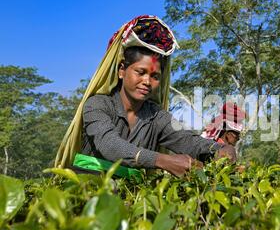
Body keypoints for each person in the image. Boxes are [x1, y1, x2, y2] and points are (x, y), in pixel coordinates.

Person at [54, 15, 236, 179]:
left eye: (155, 76)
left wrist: (219, 149)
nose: (147, 81)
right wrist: (163, 160)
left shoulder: (156, 116)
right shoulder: (97, 105)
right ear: (121, 70)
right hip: (86, 192)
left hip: (132, 200)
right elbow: (109, 145)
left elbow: (187, 141)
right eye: (140, 72)